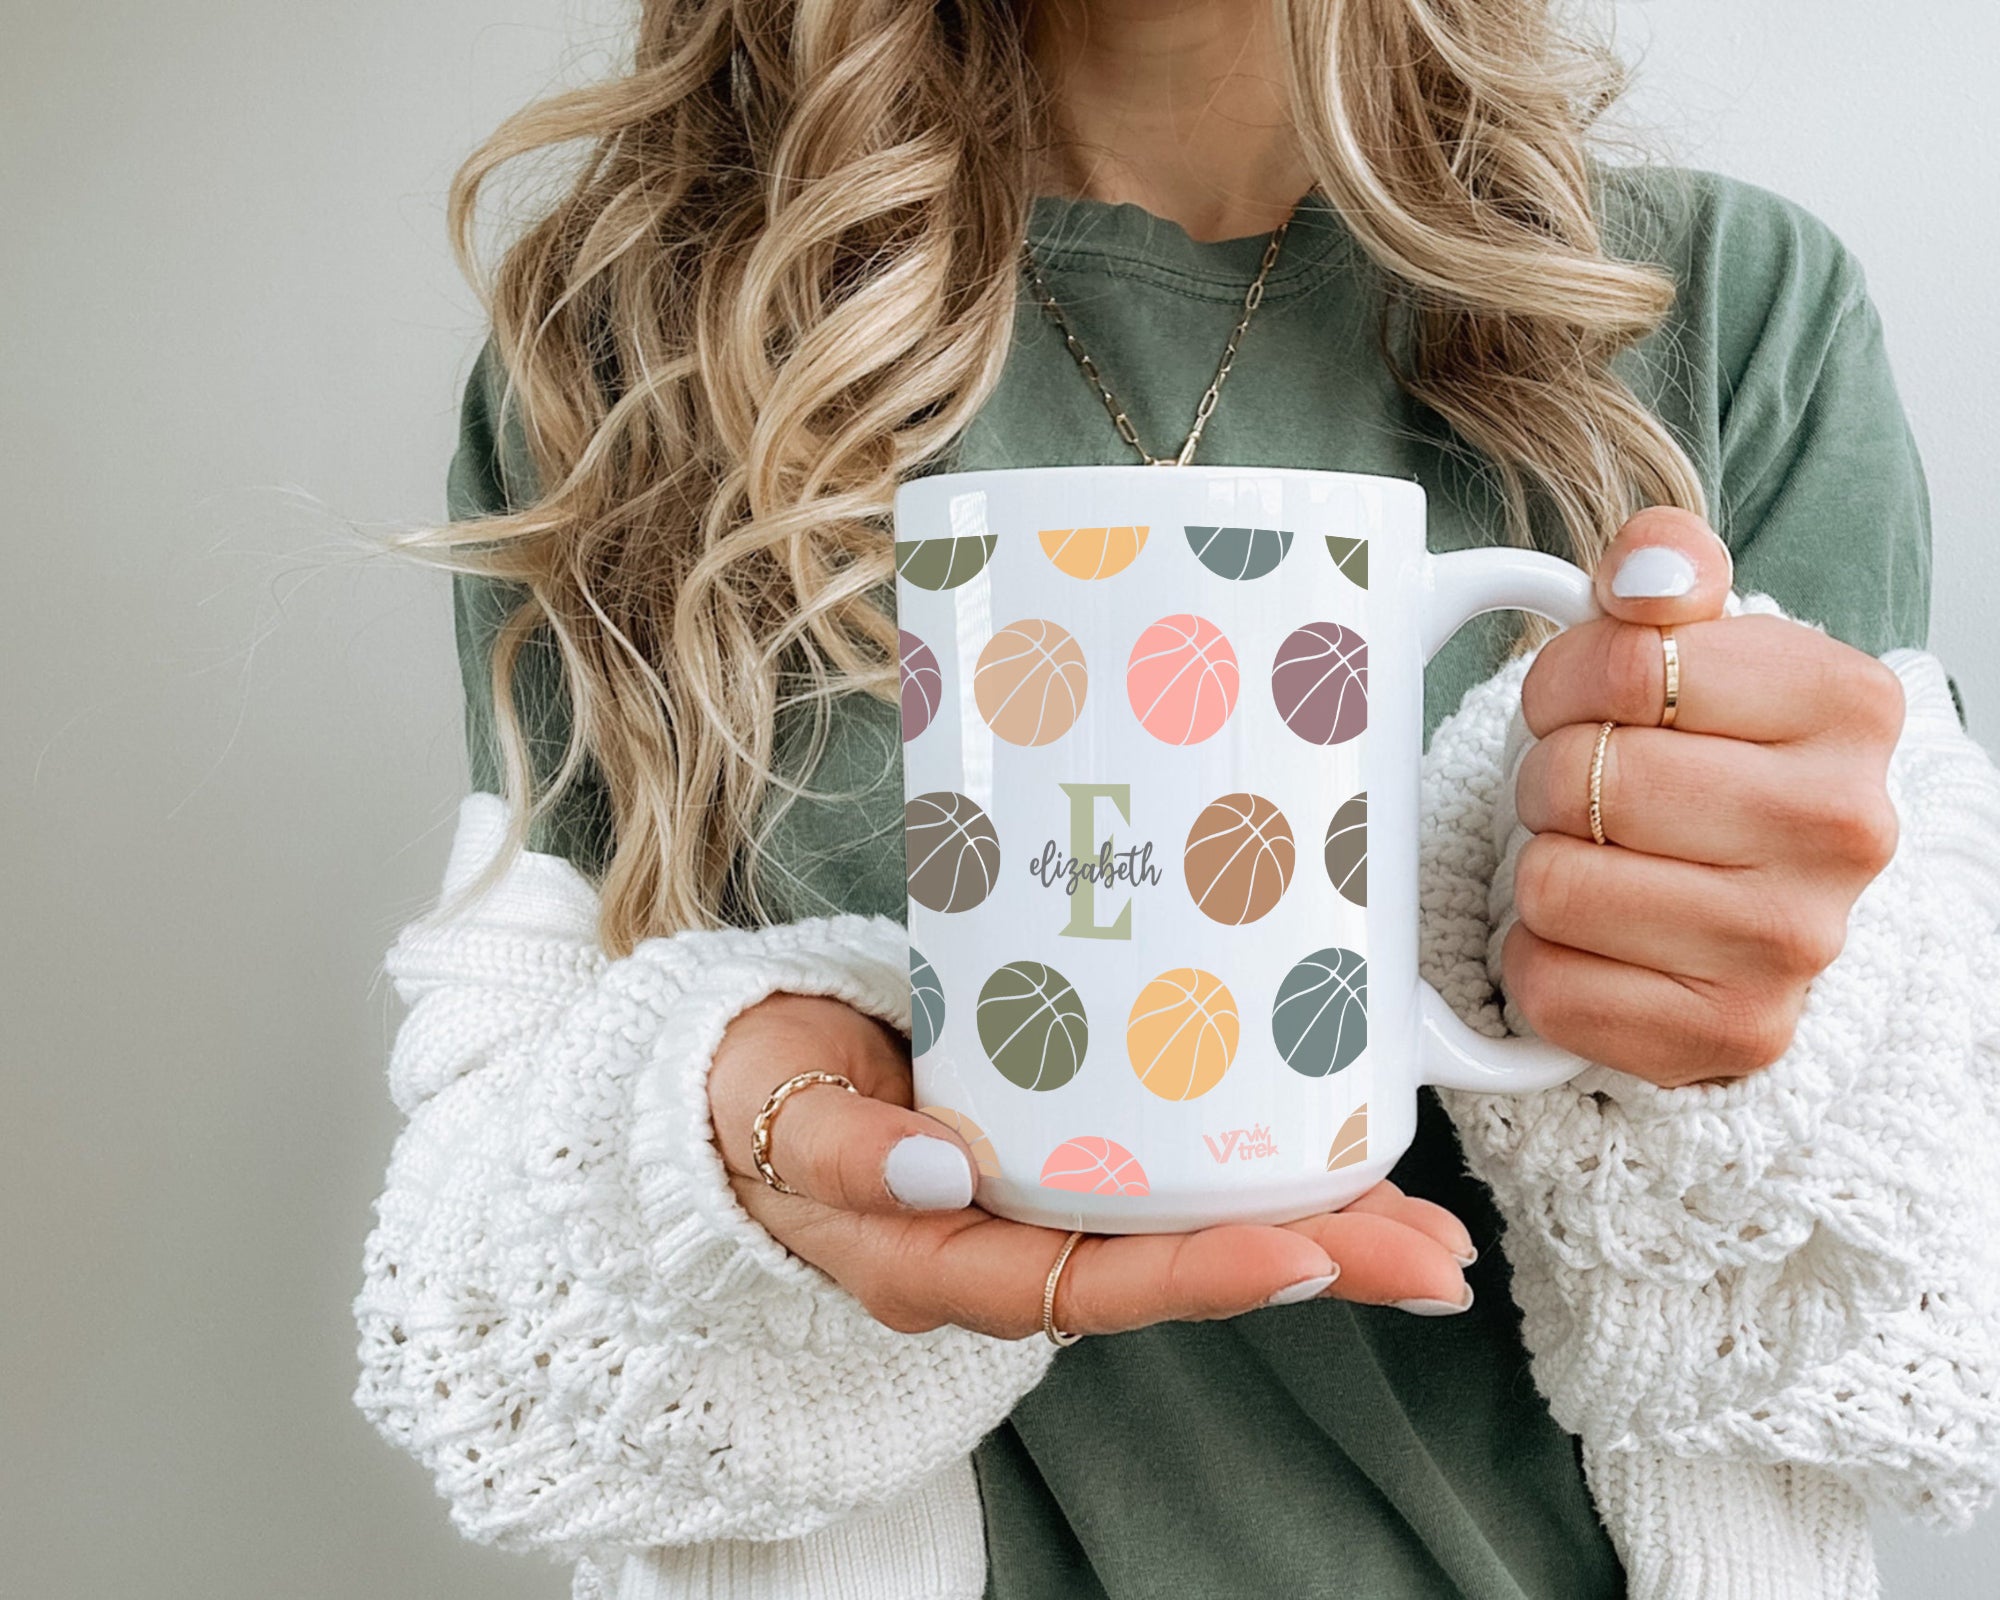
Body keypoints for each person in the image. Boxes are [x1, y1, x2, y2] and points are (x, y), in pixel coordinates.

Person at [351, 0, 2000, 1595]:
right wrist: (709, 1164)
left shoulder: (1715, 309)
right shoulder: (633, 351)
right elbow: (483, 1288)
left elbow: (1920, 1285)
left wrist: (1746, 1019)